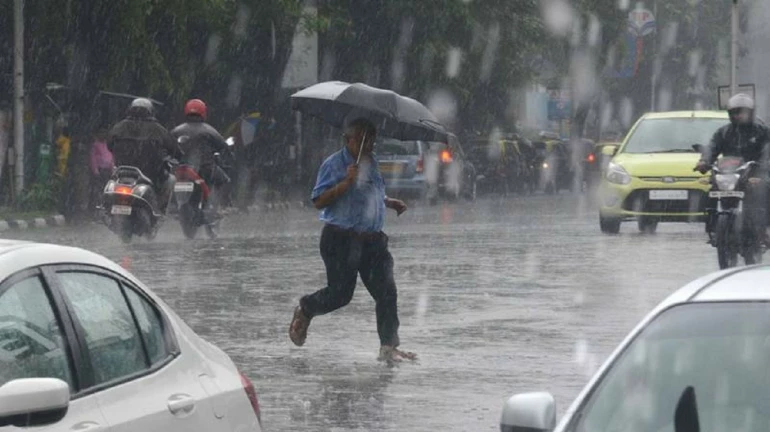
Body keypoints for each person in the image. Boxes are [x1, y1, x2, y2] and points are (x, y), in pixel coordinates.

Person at [289, 118, 416, 363]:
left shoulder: (372, 163)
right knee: (340, 294)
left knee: (387, 292)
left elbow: (371, 193)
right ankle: (306, 308)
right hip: (341, 240)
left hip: (373, 242)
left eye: (372, 139)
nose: (369, 144)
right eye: (363, 139)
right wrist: (345, 183)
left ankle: (388, 347)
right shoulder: (334, 165)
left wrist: (388, 202)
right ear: (348, 140)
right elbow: (318, 201)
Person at [695, 93, 770, 241]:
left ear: (751, 113)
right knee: (711, 190)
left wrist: (765, 163)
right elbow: (712, 148)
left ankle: (764, 229)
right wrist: (704, 161)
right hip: (730, 173)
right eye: (735, 113)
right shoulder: (723, 132)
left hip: (755, 172)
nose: (738, 116)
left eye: (742, 112)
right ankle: (713, 227)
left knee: (765, 189)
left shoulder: (762, 131)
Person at [108, 98, 179, 213]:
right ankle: (159, 210)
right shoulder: (158, 129)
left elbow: (109, 145)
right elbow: (173, 148)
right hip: (150, 173)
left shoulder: (119, 127)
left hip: (123, 171)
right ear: (150, 112)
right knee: (171, 180)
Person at [170, 99, 230, 213]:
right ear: (203, 112)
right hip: (204, 167)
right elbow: (223, 146)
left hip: (180, 168)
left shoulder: (177, 130)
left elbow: (168, 146)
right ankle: (221, 207)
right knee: (224, 180)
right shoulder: (209, 130)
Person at [89, 129, 114, 215]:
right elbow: (93, 158)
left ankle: (105, 209)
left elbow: (111, 158)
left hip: (107, 170)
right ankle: (95, 210)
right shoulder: (96, 145)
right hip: (100, 170)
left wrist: (112, 169)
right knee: (98, 190)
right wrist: (95, 170)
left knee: (107, 190)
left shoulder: (107, 145)